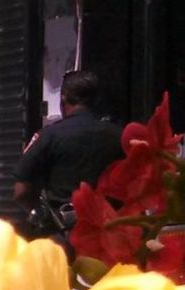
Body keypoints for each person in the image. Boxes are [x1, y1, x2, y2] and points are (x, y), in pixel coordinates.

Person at [15, 70, 125, 235]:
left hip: (62, 234)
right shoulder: (119, 136)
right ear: (95, 100)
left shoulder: (48, 135)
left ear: (64, 97)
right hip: (110, 235)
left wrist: (41, 214)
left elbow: (21, 191)